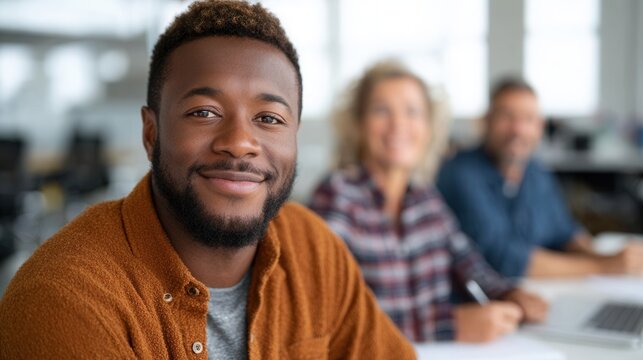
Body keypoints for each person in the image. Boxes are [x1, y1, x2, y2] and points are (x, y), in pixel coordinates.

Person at [0, 2, 415, 359]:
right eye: (204, 112)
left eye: (269, 119)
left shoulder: (313, 251)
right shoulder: (64, 298)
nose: (239, 143)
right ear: (151, 133)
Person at [309, 61, 547, 343]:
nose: (399, 125)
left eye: (412, 112)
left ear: (427, 126)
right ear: (359, 124)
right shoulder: (336, 196)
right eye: (381, 110)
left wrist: (510, 294)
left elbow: (471, 266)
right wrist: (449, 326)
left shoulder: (427, 199)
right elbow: (326, 318)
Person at [437, 78, 643, 278]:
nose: (517, 129)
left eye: (528, 119)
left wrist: (604, 257)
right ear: (486, 121)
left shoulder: (536, 172)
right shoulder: (460, 174)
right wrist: (603, 266)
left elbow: (565, 232)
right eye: (506, 117)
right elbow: (504, 259)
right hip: (488, 301)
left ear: (540, 127)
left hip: (539, 291)